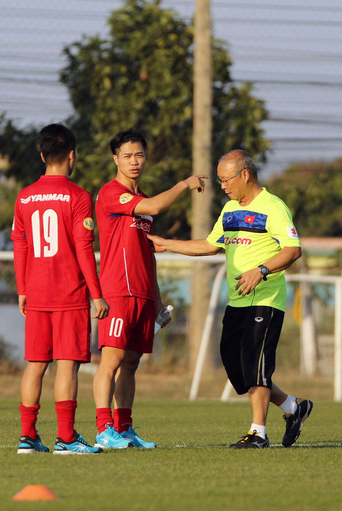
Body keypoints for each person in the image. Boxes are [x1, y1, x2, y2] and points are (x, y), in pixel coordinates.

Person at [147, 149, 313, 449]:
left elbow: (292, 249)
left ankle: (258, 433)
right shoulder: (229, 210)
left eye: (226, 179)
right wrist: (167, 244)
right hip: (236, 302)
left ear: (245, 175)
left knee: (256, 366)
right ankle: (293, 408)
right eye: (220, 180)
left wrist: (260, 271)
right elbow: (210, 246)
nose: (222, 186)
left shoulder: (274, 207)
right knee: (238, 368)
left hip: (266, 299)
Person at [93, 128, 208, 449]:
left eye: (139, 155)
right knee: (111, 361)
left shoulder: (140, 201)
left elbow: (148, 255)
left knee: (131, 364)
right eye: (127, 156)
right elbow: (156, 207)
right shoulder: (110, 194)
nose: (134, 161)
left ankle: (124, 428)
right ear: (115, 159)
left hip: (142, 294)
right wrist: (184, 184)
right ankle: (104, 429)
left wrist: (157, 300)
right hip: (118, 291)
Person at [11, 123, 109, 455]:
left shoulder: (24, 196)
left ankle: (27, 436)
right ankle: (66, 438)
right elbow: (84, 249)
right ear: (72, 155)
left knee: (35, 364)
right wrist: (96, 294)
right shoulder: (78, 196)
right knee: (66, 364)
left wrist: (22, 288)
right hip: (69, 293)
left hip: (36, 293)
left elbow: (19, 246)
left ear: (41, 156)